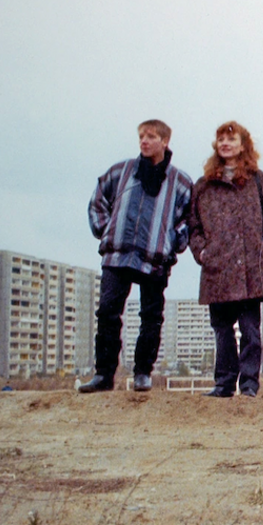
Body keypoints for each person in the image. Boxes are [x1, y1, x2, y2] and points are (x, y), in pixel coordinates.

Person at [81, 120, 193, 393]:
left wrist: (172, 245)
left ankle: (143, 373)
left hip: (155, 258)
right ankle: (103, 375)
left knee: (151, 315)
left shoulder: (180, 181)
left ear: (165, 141)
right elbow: (97, 200)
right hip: (117, 255)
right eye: (141, 136)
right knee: (107, 313)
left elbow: (189, 220)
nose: (144, 141)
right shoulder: (122, 171)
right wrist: (106, 230)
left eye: (151, 136)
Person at [189, 121, 263, 398]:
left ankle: (249, 385)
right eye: (220, 139)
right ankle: (223, 383)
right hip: (217, 269)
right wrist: (202, 253)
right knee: (221, 330)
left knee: (250, 331)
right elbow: (193, 227)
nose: (225, 143)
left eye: (231, 139)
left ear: (243, 146)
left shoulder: (259, 180)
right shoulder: (204, 186)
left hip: (250, 270)